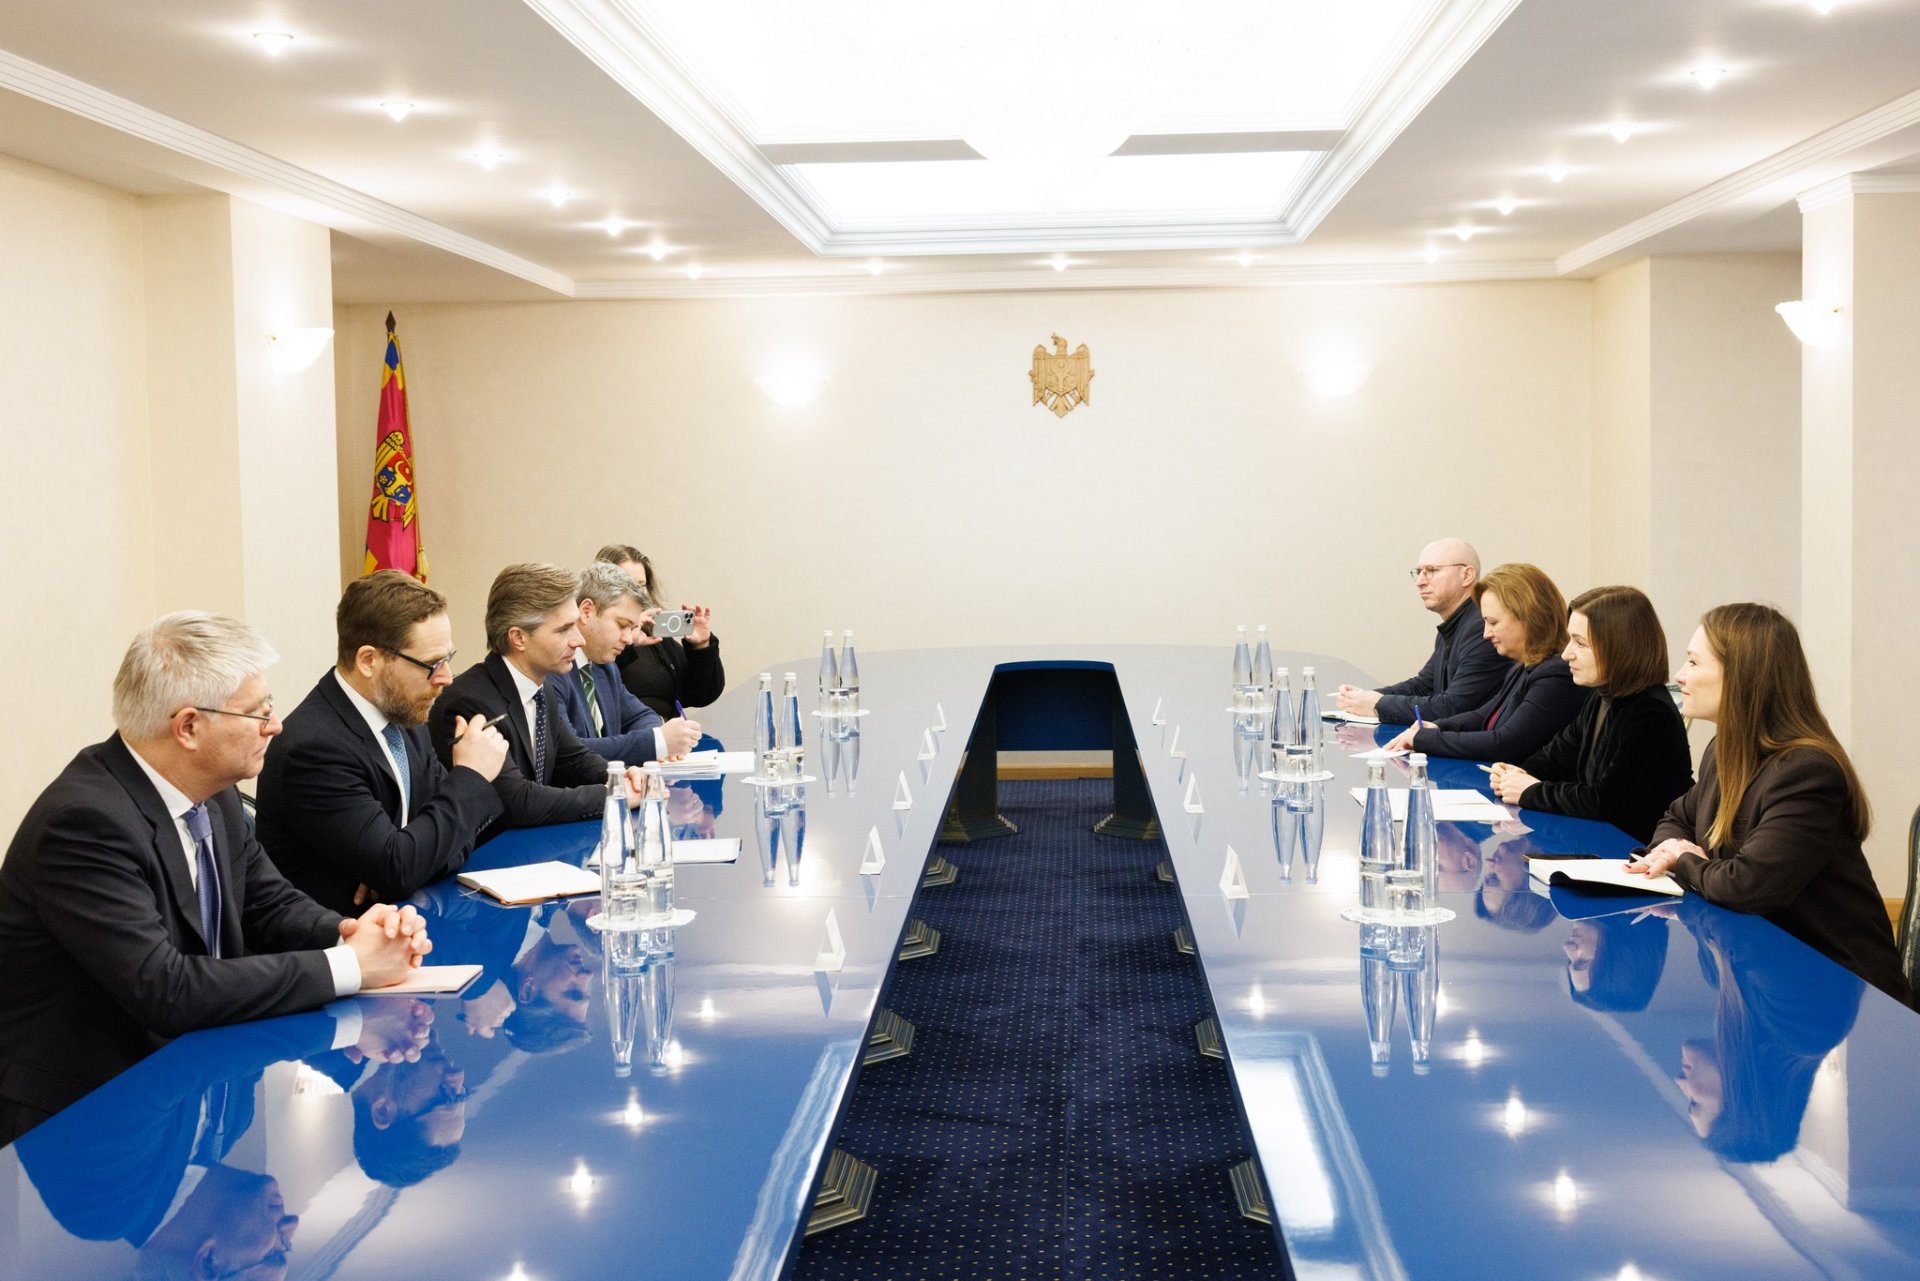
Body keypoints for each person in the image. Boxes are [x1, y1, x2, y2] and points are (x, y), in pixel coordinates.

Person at [0, 612, 430, 1143]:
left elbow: (268, 902)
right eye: (258, 713)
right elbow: (166, 988)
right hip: (87, 1117)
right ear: (188, 727)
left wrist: (353, 933)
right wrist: (350, 966)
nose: (276, 726)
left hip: (187, 1087)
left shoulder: (215, 791)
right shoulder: (85, 823)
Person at [1627, 603, 1911, 1005]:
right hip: (1769, 979)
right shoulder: (1723, 752)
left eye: (1693, 662)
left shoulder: (1807, 771)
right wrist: (1675, 849)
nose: (1679, 675)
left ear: (1741, 676)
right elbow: (1677, 817)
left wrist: (1683, 860)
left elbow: (1746, 886)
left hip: (1841, 995)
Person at [256, 572, 510, 914]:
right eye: (432, 664)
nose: (446, 678)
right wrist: (471, 777)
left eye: (447, 660)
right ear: (368, 660)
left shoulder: (404, 715)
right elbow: (402, 865)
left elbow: (450, 839)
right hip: (339, 935)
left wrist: (412, 863)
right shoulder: (313, 748)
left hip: (405, 918)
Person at [428, 564, 650, 831]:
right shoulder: (470, 702)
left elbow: (574, 758)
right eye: (564, 629)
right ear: (519, 638)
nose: (579, 640)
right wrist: (613, 794)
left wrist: (620, 776)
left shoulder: (542, 689)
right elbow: (517, 801)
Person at [1486, 585, 1694, 842]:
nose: (1566, 654)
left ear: (1619, 648)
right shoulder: (1599, 697)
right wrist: (1515, 775)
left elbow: (1605, 802)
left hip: (1634, 850)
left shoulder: (1651, 714)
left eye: (1580, 643)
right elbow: (1552, 759)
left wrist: (1530, 791)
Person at [1384, 563, 1589, 762]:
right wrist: (1438, 727)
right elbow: (1483, 715)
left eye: (1493, 622)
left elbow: (1505, 744)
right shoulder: (1522, 667)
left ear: (1529, 617)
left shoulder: (1557, 674)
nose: (1486, 634)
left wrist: (1426, 739)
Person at [1337, 539, 1512, 724]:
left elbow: (1454, 706)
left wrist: (1377, 704)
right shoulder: (1456, 623)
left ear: (1467, 575)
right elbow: (1424, 686)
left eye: (1432, 571)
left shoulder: (1480, 627)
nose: (1420, 582)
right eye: (1419, 572)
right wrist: (1364, 698)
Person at [547, 561, 703, 768]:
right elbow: (571, 752)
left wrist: (661, 739)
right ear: (586, 611)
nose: (629, 639)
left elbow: (641, 715)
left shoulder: (605, 666)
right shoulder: (552, 668)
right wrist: (656, 742)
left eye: (632, 628)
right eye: (622, 625)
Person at [596, 544, 726, 719]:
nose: (636, 593)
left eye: (641, 585)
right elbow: (597, 686)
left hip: (668, 731)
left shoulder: (655, 635)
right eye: (626, 585)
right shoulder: (596, 637)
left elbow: (700, 695)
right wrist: (628, 643)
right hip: (632, 732)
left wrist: (701, 647)